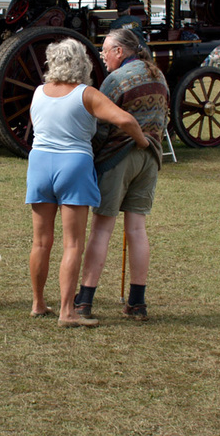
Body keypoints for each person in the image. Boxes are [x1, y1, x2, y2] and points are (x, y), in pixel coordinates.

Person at [26, 37, 150, 328]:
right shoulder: (87, 94)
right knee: (73, 244)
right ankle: (67, 311)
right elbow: (127, 120)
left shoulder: (38, 92)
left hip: (40, 163)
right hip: (74, 165)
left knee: (41, 242)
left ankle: (38, 303)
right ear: (82, 63)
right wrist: (143, 142)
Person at [75, 28, 169, 321]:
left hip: (119, 158)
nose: (102, 56)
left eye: (105, 50)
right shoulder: (158, 75)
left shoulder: (116, 80)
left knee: (102, 229)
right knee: (137, 230)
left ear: (120, 51)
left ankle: (85, 299)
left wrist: (91, 155)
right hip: (150, 157)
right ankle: (137, 302)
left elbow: (101, 126)